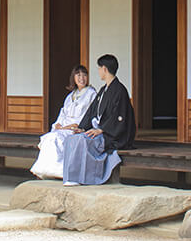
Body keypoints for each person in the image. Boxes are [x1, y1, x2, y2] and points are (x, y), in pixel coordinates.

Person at [62, 54, 136, 186]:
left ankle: (81, 178)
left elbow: (119, 117)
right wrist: (83, 127)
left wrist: (102, 129)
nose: (98, 71)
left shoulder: (119, 90)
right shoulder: (103, 90)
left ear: (104, 69)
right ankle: (70, 176)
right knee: (72, 138)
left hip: (114, 135)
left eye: (99, 68)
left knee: (83, 140)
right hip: (102, 130)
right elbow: (92, 111)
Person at [30, 65, 97, 179]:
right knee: (50, 137)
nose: (82, 78)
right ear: (74, 78)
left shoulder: (91, 94)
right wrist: (58, 125)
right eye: (78, 75)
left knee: (55, 138)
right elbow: (63, 114)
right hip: (65, 127)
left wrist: (73, 126)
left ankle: (58, 171)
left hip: (77, 129)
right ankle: (49, 170)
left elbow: (89, 115)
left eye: (84, 75)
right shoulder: (70, 96)